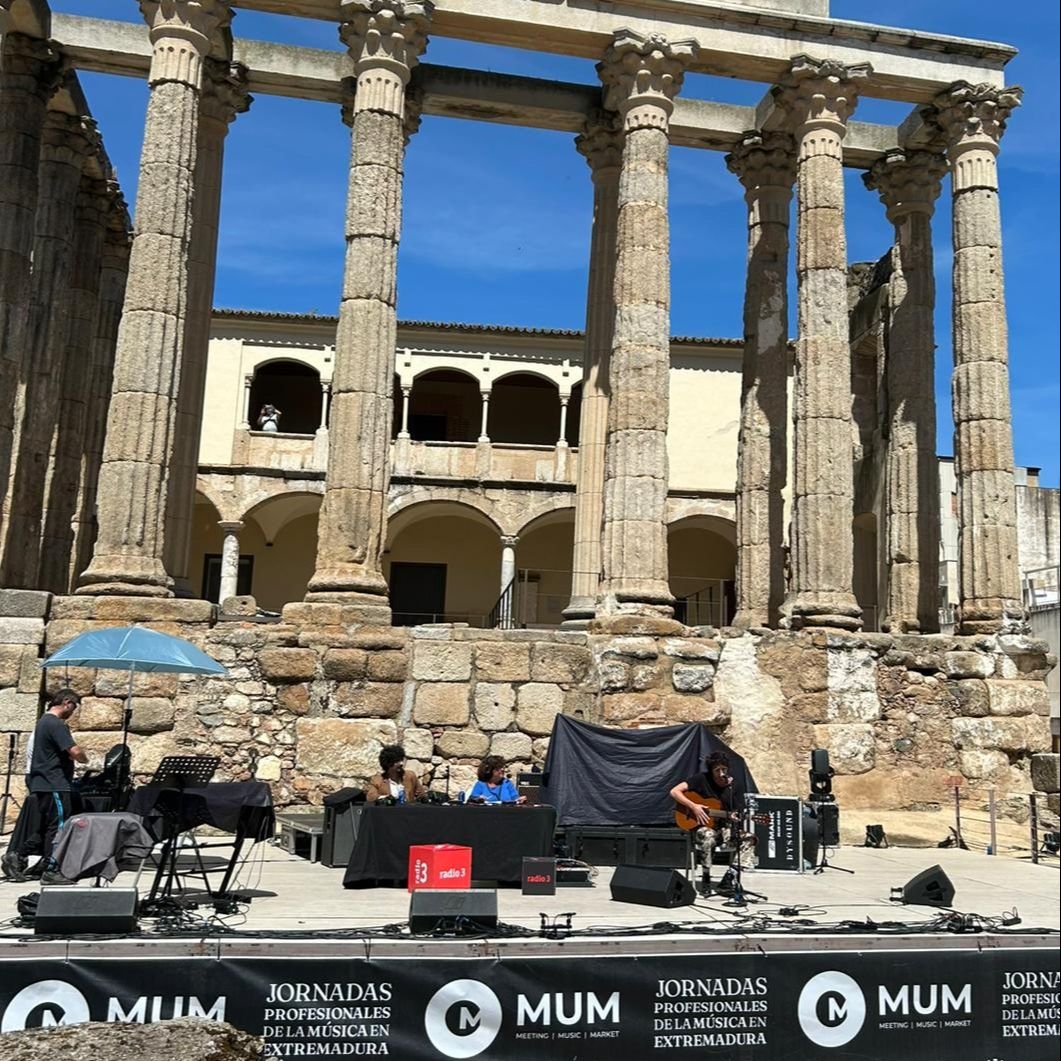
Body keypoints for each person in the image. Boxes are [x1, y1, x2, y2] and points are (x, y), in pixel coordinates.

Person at [26, 689, 88, 885]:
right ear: (67, 702)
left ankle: (47, 864)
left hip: (43, 782)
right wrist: (83, 758)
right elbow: (75, 751)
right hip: (54, 782)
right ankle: (52, 870)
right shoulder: (55, 724)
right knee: (59, 827)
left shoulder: (43, 722)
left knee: (50, 826)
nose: (73, 712)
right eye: (73, 707)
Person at [669, 750, 747, 885]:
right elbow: (674, 791)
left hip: (724, 826)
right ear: (711, 770)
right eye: (717, 770)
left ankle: (731, 876)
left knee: (749, 838)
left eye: (724, 769)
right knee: (708, 836)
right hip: (703, 827)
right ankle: (706, 873)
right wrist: (694, 806)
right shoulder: (701, 779)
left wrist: (735, 815)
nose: (721, 773)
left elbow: (738, 810)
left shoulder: (734, 786)